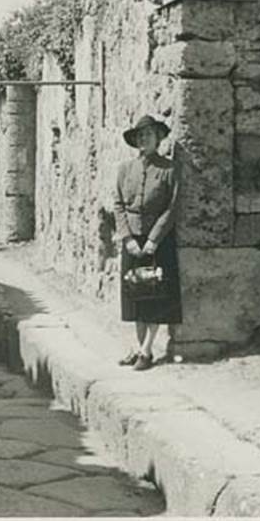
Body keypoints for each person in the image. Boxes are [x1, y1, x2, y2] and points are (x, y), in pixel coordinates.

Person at [113, 113, 182, 371]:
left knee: (154, 292)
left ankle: (147, 349)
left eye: (149, 135)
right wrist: (128, 238)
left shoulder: (169, 169)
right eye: (140, 136)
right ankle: (139, 346)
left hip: (158, 240)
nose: (144, 140)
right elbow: (118, 205)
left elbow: (172, 208)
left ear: (159, 139)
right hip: (132, 238)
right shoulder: (124, 170)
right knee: (134, 293)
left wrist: (153, 240)